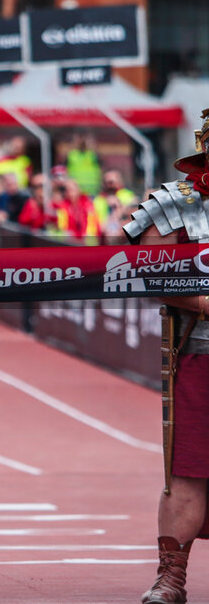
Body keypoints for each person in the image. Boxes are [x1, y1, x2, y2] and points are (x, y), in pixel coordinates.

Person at [125, 108, 209, 604]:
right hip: (201, 355)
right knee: (189, 471)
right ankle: (171, 578)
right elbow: (148, 269)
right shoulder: (175, 202)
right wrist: (203, 303)